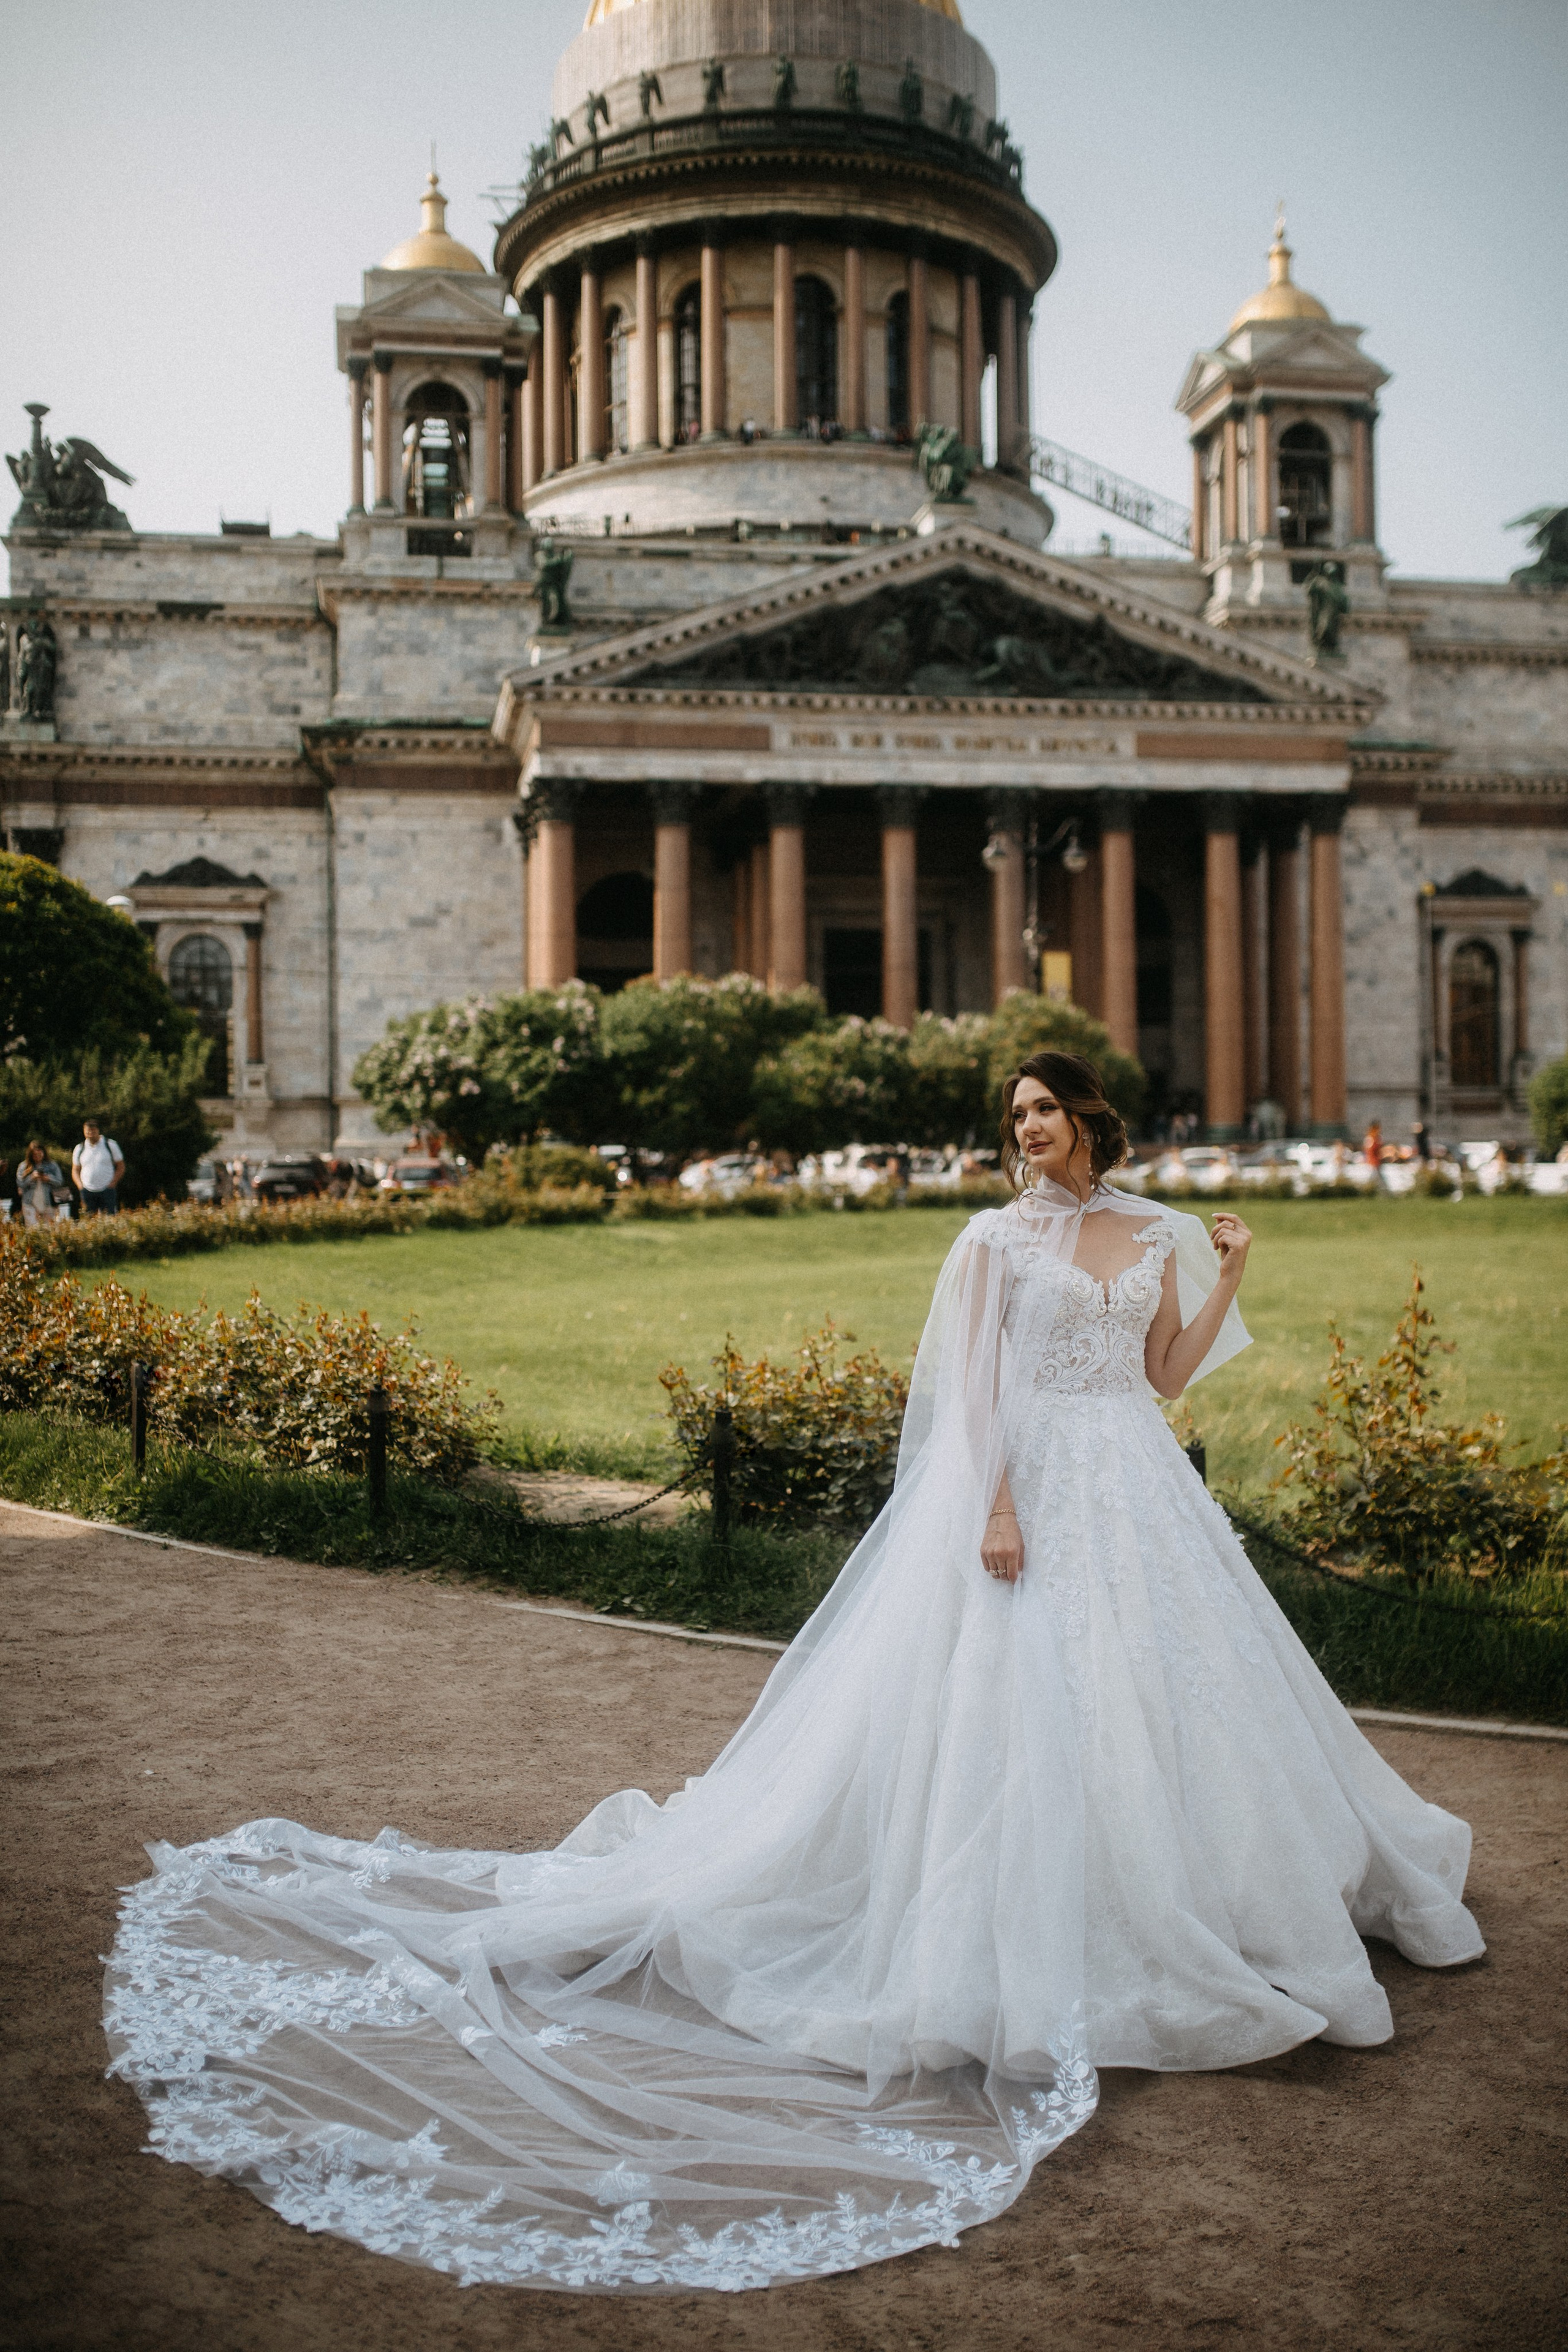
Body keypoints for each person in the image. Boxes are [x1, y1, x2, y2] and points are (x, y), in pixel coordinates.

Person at [104, 1052, 1482, 2295]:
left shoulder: (1154, 1232)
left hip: (1134, 1486)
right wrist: (996, 1506)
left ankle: (1199, 1896)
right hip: (1036, 1490)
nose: (1025, 1132)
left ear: (1088, 1121)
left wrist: (1231, 1270)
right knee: (1019, 1708)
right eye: (1013, 1116)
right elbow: (976, 1399)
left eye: (1043, 1111)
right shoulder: (989, 1242)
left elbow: (1167, 1378)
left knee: (1167, 1700)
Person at [71, 1119, 124, 1215]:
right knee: (88, 1221)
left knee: (110, 1220)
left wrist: (113, 1183)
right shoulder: (80, 1148)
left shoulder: (110, 1145)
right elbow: (75, 1170)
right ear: (84, 1131)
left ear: (98, 1131)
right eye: (87, 1131)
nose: (90, 1133)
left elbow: (121, 1166)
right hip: (87, 1190)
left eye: (93, 1130)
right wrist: (80, 1186)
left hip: (107, 1190)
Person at [16, 1140, 66, 1228]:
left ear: (44, 1153)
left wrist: (49, 1178)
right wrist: (31, 1177)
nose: (37, 1157)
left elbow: (60, 1182)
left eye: (40, 1154)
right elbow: (20, 1183)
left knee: (50, 1230)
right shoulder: (24, 1166)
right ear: (31, 1155)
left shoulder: (52, 1165)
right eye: (35, 1155)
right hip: (29, 1203)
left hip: (49, 1202)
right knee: (33, 1231)